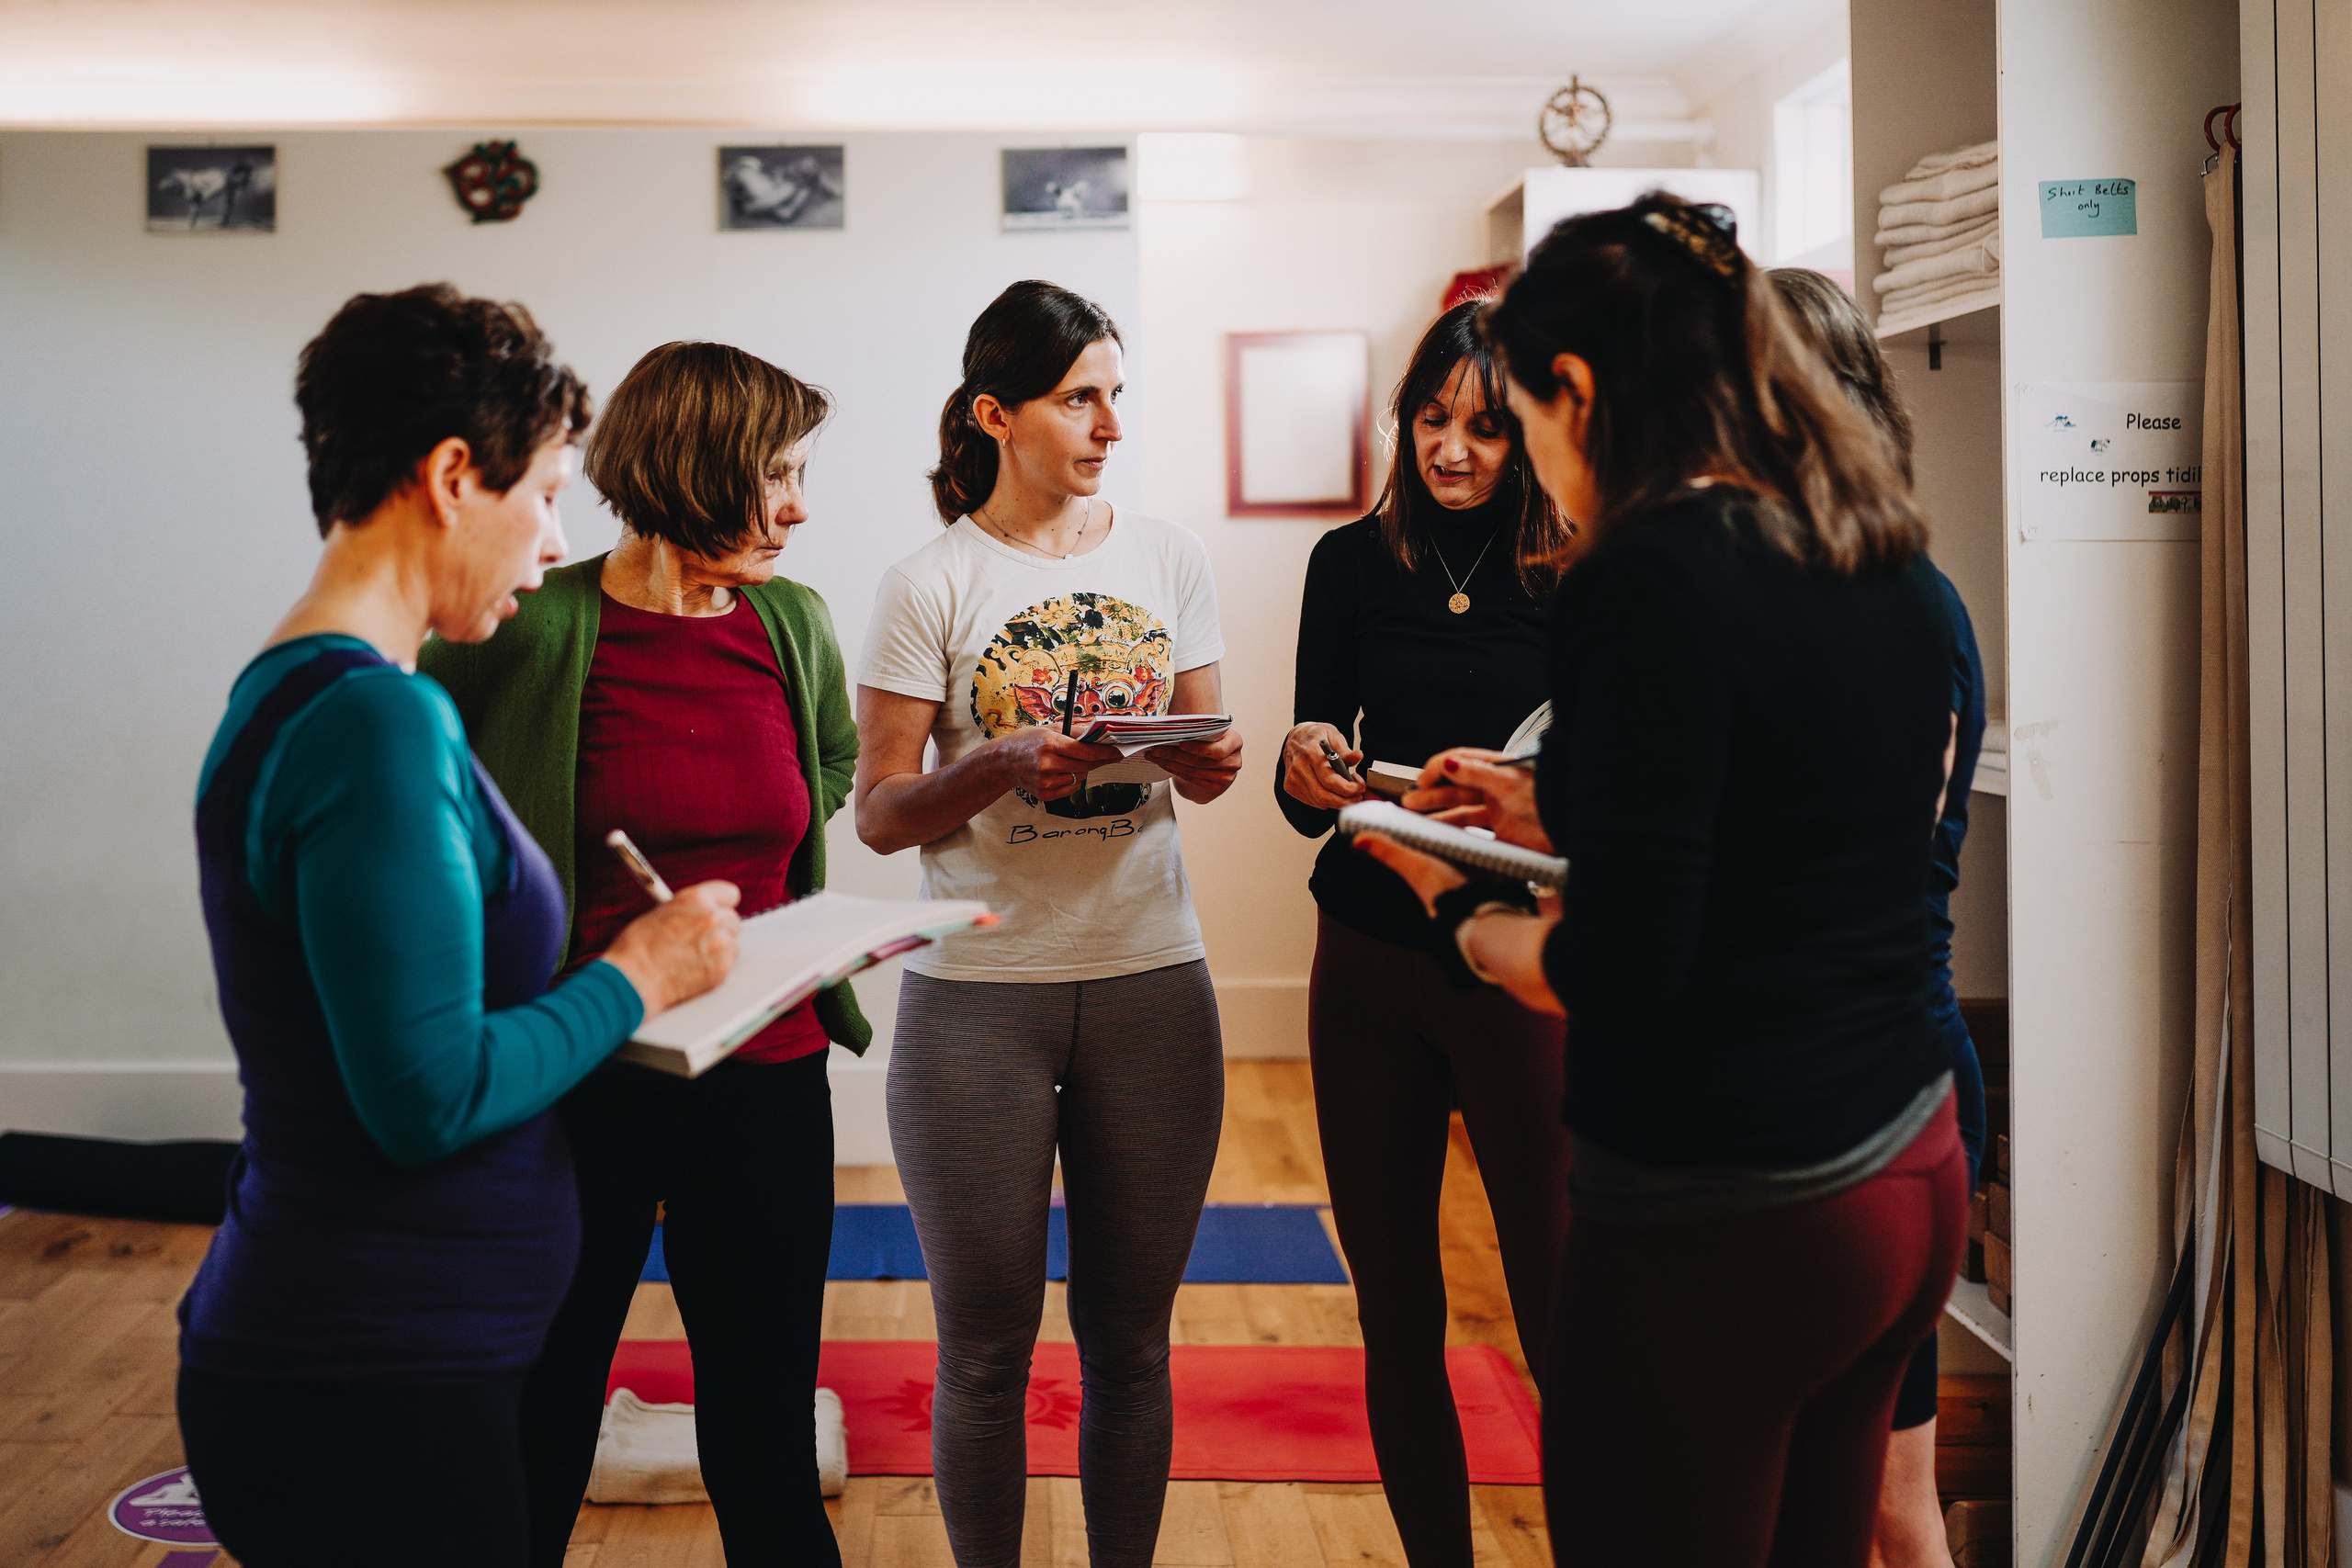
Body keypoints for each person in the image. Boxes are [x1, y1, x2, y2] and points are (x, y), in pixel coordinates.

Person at [1355, 196, 1970, 1568]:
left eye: (1518, 415)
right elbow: (1794, 819)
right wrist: (1550, 797)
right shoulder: (1871, 537)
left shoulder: (1644, 574)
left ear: (1575, 388)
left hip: (1737, 1206)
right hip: (1907, 1166)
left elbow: (1624, 971)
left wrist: (1457, 914)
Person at [177, 285, 741, 1568]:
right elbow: (423, 1097)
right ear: (449, 476)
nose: (554, 542)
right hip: (369, 1377)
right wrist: (637, 976)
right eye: (544, 492)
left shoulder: (306, 689)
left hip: (381, 1361)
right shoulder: (376, 722)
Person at [419, 340, 864, 1568]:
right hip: (579, 1083)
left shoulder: (793, 623)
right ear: (694, 470)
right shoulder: (529, 627)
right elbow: (432, 803)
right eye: (775, 472)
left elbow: (824, 768)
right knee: (541, 1420)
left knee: (766, 1443)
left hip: (770, 1079)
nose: (798, 506)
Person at [854, 278, 1244, 1568]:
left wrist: (1208, 763)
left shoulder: (1169, 556)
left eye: (1116, 395)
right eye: (1081, 397)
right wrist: (996, 766)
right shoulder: (930, 582)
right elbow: (882, 814)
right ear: (995, 414)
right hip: (978, 1001)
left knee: (1133, 1345)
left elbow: (1204, 745)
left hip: (1152, 984)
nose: (1109, 425)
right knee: (981, 1352)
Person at [1275, 299, 1577, 1568]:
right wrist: (1310, 765)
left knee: (1559, 1314)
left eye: (1486, 430)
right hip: (1370, 959)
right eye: (1431, 420)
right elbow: (1305, 802)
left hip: (1522, 969)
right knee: (1394, 1308)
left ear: (1532, 441)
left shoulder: (1582, 572)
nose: (1451, 449)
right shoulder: (1351, 563)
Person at [1765, 266, 1990, 1568]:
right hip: (1894, 1075)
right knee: (1870, 1499)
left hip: (1850, 1089)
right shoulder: (1905, 590)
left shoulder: (1845, 606)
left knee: (1864, 1504)